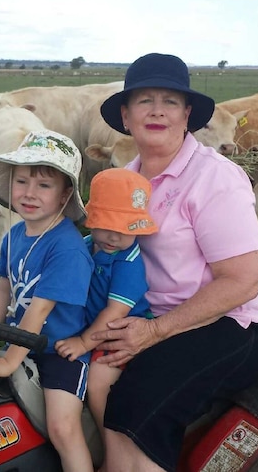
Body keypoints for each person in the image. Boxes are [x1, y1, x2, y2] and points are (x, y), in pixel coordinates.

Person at [92, 53, 258, 472]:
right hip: (147, 312)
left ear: (187, 114)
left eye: (170, 101)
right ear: (125, 115)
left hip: (228, 322)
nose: (157, 110)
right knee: (82, 371)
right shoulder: (128, 177)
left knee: (137, 405)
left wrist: (154, 332)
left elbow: (243, 280)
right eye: (144, 101)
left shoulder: (215, 177)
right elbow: (105, 245)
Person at [0, 129, 96, 472]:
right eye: (22, 181)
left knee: (62, 427)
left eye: (43, 185)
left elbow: (41, 309)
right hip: (18, 338)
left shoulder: (66, 247)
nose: (29, 193)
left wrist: (10, 361)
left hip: (59, 350)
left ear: (64, 195)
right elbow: (3, 289)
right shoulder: (15, 235)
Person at [54, 168, 157, 439]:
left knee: (98, 382)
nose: (114, 237)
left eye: (125, 230)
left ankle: (109, 442)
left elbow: (115, 312)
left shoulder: (129, 264)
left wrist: (84, 343)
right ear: (91, 219)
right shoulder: (86, 246)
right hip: (88, 325)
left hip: (118, 334)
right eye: (107, 226)